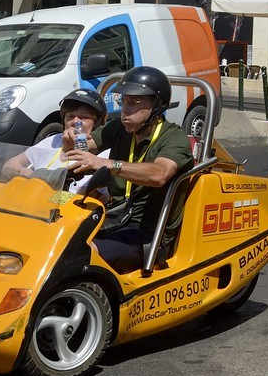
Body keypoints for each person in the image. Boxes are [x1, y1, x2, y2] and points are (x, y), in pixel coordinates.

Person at [65, 65, 193, 272]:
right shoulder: (119, 128)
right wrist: (74, 133)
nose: (125, 110)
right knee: (57, 239)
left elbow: (159, 174)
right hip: (114, 219)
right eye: (123, 102)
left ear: (157, 106)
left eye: (134, 103)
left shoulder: (174, 138)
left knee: (84, 253)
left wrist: (109, 164)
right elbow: (84, 148)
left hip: (147, 232)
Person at [5, 88, 109, 193]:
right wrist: (28, 174)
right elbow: (8, 166)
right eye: (70, 116)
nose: (75, 122)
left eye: (84, 117)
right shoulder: (53, 141)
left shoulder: (104, 151)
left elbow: (98, 195)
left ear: (97, 123)